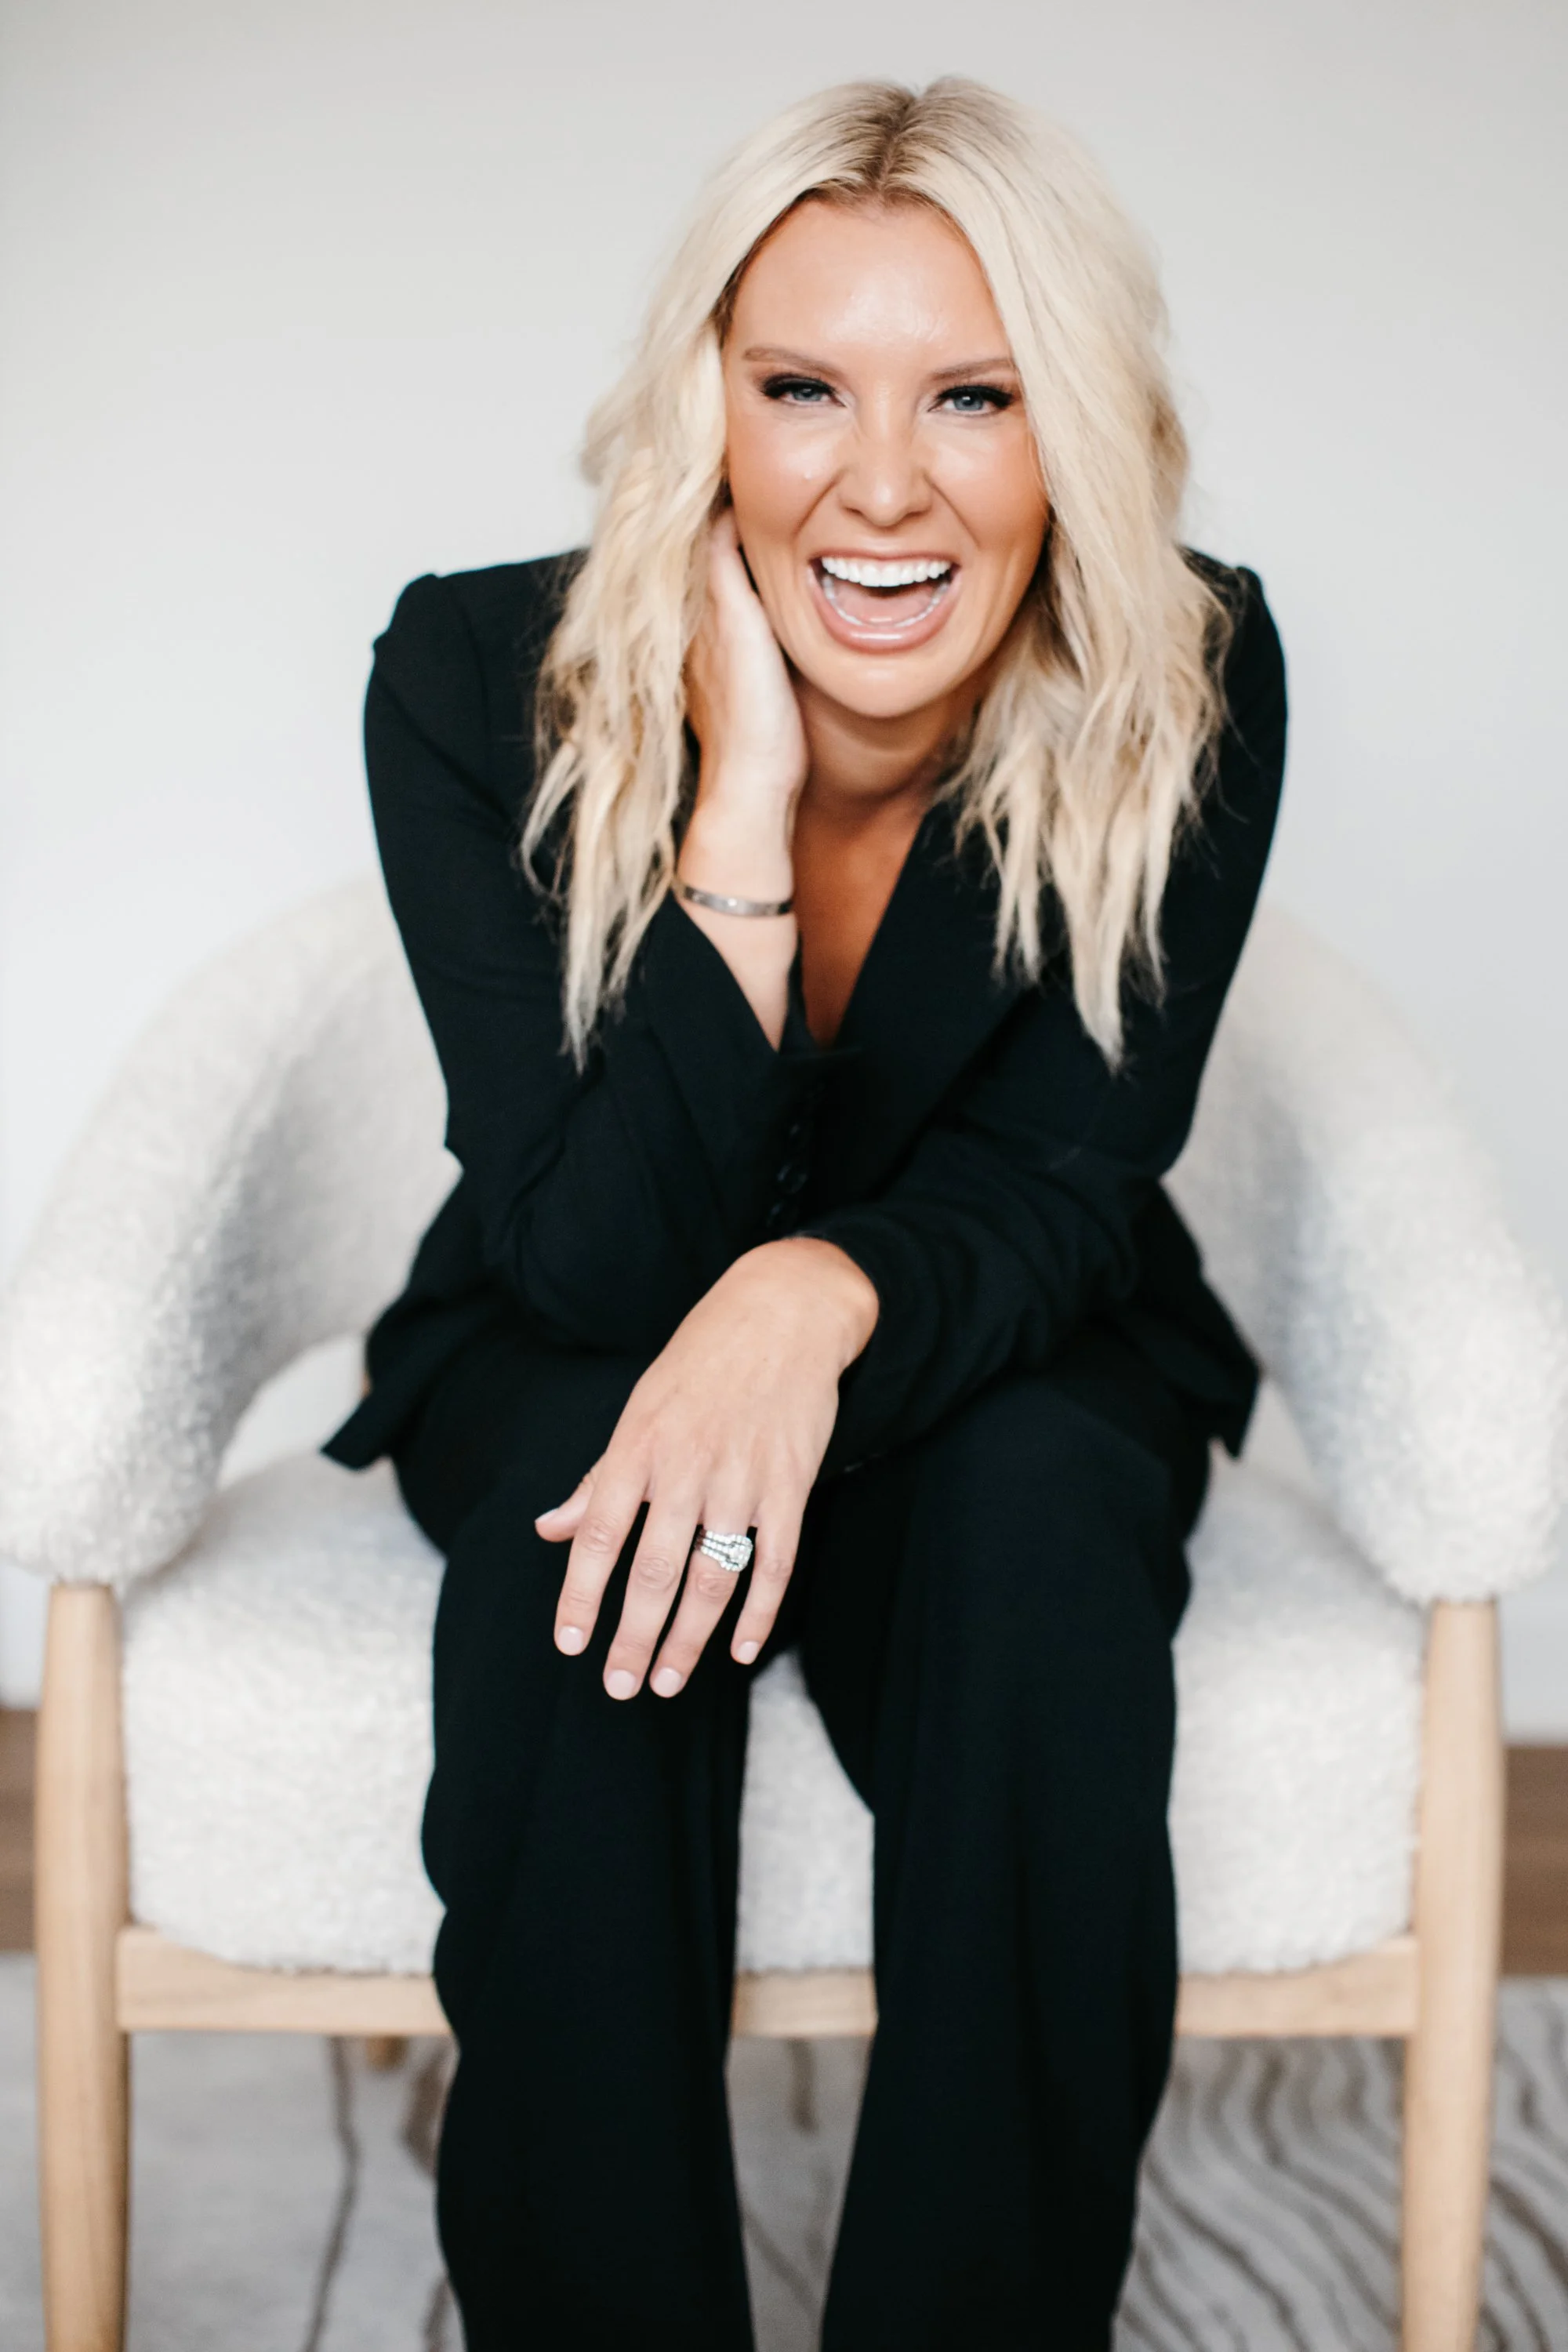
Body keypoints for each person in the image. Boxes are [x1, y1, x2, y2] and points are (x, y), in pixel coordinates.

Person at [325, 75, 1287, 2352]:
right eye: (803, 391)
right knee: (590, 1525)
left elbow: (1070, 1176)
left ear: (1076, 432)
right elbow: (580, 1257)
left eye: (975, 395)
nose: (881, 482)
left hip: (994, 1339)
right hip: (571, 1325)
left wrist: (810, 1291)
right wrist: (741, 810)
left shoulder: (1189, 674)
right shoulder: (470, 684)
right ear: (712, 412)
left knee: (1046, 1524)